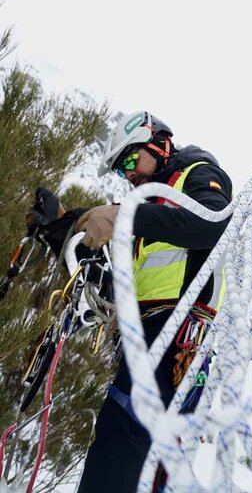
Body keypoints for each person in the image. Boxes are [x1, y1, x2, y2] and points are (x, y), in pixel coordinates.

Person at [76, 110, 233, 493]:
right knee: (145, 450)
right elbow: (138, 286)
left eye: (130, 160)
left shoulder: (195, 172)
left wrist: (122, 215)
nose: (129, 175)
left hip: (181, 328)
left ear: (160, 143)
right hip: (150, 330)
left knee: (125, 432)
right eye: (120, 170)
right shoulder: (150, 208)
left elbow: (213, 221)